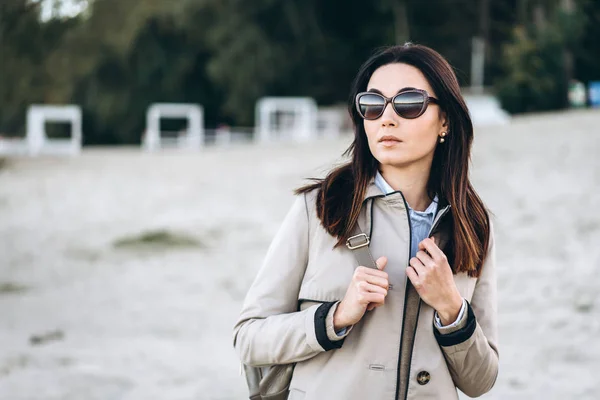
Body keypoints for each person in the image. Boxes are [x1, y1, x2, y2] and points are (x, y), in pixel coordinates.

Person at [233, 43, 498, 400]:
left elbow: (480, 382)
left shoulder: (473, 226)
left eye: (408, 103)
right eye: (373, 105)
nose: (387, 118)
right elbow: (249, 339)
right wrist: (337, 317)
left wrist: (452, 308)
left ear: (445, 120)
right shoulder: (318, 209)